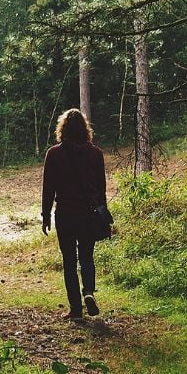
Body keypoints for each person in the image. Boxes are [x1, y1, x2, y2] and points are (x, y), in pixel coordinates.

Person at [41, 108, 107, 319]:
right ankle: (88, 292)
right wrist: (103, 214)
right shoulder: (96, 153)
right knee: (87, 257)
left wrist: (45, 215)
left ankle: (76, 309)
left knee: (69, 261)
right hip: (88, 213)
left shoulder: (54, 154)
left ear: (63, 129)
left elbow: (48, 188)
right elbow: (101, 188)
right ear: (85, 129)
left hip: (66, 213)